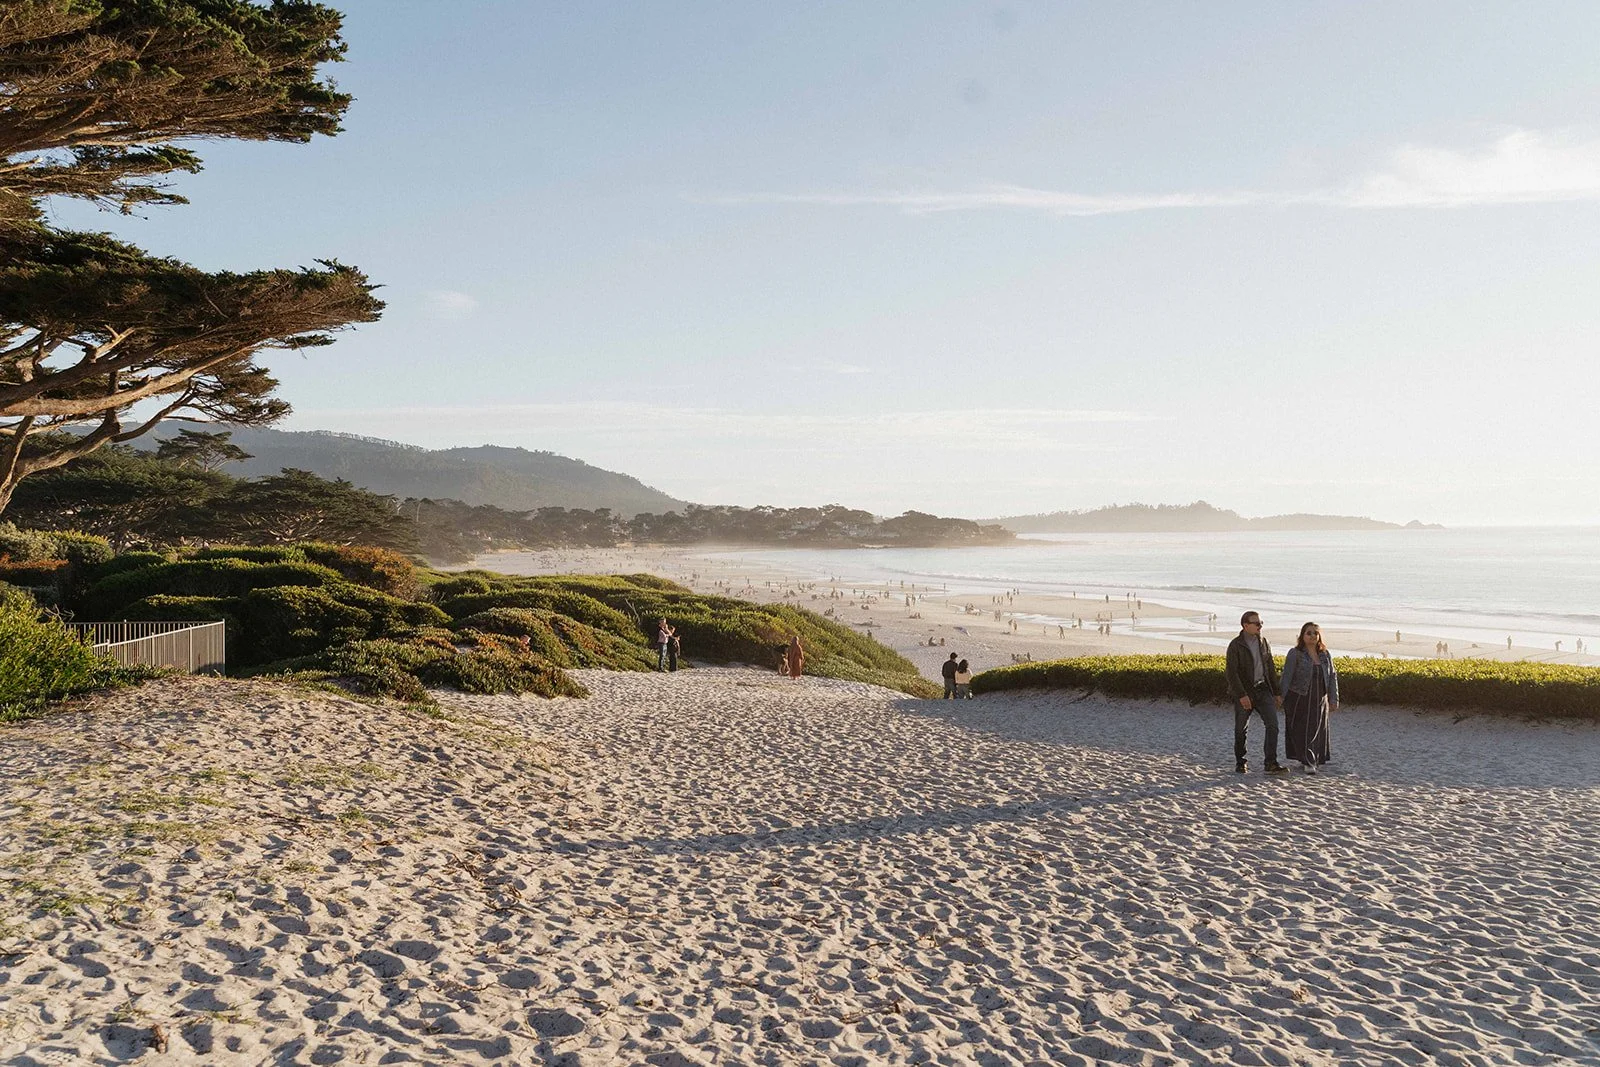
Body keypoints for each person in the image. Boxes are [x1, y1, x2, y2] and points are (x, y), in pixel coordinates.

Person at [1226, 611, 1286, 775]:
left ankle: (1271, 763)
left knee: (1273, 725)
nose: (1260, 626)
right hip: (1245, 692)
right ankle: (1241, 762)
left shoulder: (1263, 642)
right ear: (1245, 626)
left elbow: (1270, 668)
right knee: (1241, 729)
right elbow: (1231, 673)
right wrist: (1241, 695)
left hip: (1263, 689)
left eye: (1261, 623)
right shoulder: (1235, 645)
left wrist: (1276, 692)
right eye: (1257, 623)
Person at [1281, 622, 1337, 773]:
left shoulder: (1325, 654)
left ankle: (1313, 758)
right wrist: (1281, 696)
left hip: (1320, 698)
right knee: (1302, 730)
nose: (1312, 636)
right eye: (1309, 633)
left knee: (1317, 729)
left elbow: (1332, 676)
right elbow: (1287, 676)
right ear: (1302, 636)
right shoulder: (1295, 653)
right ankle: (1308, 761)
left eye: (1315, 633)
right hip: (1300, 697)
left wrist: (1334, 698)